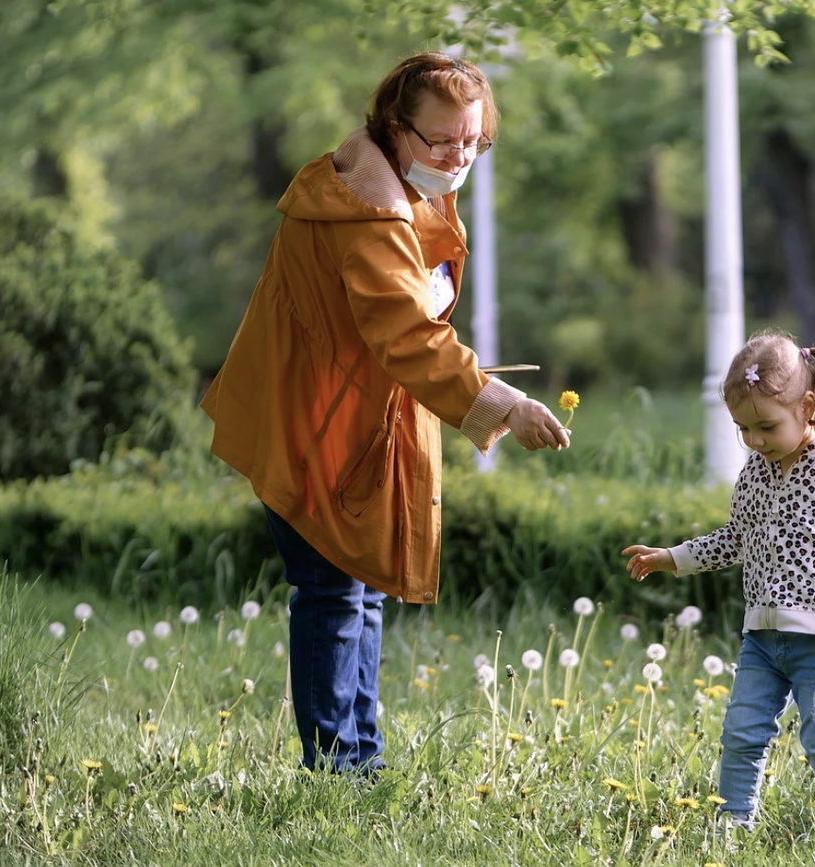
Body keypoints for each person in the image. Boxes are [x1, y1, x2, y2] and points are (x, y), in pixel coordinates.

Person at [200, 52, 570, 774]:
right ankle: (337, 768)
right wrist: (503, 402)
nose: (458, 156)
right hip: (315, 422)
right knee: (335, 594)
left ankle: (358, 760)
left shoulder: (407, 188)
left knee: (358, 592)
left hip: (349, 419)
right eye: (441, 140)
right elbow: (406, 333)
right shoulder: (365, 209)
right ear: (395, 129)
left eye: (472, 139)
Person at [622, 328, 815, 824]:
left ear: (807, 404)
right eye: (743, 429)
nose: (754, 440)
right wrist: (673, 557)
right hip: (761, 638)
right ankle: (733, 823)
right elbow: (735, 538)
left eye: (767, 427)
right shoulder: (753, 473)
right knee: (742, 732)